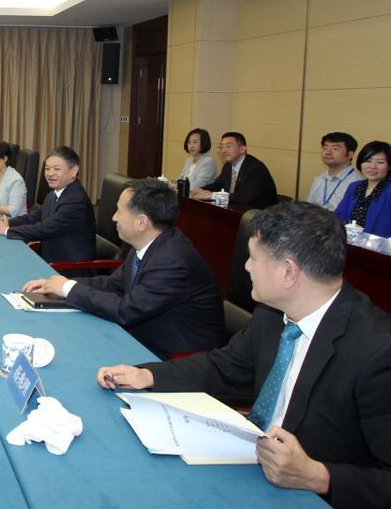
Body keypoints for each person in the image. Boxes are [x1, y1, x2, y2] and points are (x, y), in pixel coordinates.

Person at [96, 202, 391, 508]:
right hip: (252, 469)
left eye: (253, 258)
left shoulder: (377, 352)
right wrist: (148, 375)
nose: (246, 267)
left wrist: (320, 476)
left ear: (288, 271)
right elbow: (225, 366)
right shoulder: (272, 314)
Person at [22, 179, 224, 358]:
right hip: (142, 335)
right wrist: (59, 284)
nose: (113, 218)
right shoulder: (150, 243)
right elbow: (113, 283)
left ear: (142, 222)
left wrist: (68, 289)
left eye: (119, 211)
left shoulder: (172, 260)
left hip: (173, 356)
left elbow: (126, 309)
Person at [0, 146, 95, 266]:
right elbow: (33, 217)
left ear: (74, 171)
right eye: (47, 169)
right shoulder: (55, 193)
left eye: (57, 169)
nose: (50, 174)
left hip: (68, 268)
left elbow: (45, 228)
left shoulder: (76, 200)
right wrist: (8, 223)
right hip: (49, 258)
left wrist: (6, 230)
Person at [191, 132, 279, 208]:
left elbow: (245, 198)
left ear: (242, 149)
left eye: (228, 146)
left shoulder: (256, 168)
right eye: (221, 147)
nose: (223, 151)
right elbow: (217, 185)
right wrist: (199, 190)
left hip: (261, 216)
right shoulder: (228, 166)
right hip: (237, 211)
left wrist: (212, 195)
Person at [334, 140, 391, 237]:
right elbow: (339, 216)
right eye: (368, 161)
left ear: (389, 166)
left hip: (380, 250)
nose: (372, 166)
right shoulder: (354, 186)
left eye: (380, 162)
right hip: (349, 244)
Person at [307, 132, 358, 211]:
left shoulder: (357, 182)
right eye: (325, 148)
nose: (328, 152)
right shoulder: (319, 178)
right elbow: (308, 207)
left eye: (335, 148)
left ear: (350, 154)